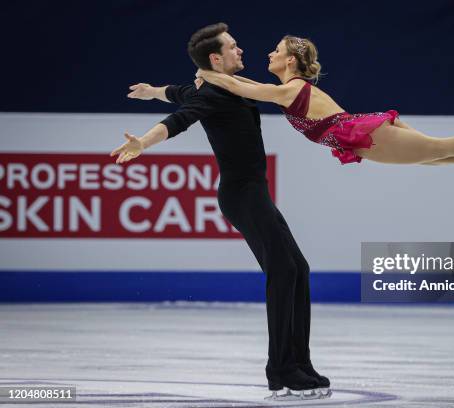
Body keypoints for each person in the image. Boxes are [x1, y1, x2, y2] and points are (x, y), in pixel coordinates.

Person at [110, 23, 331, 401]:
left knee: (298, 268)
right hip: (241, 194)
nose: (241, 50)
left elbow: (177, 93)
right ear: (216, 58)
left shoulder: (219, 86)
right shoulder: (211, 93)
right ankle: (282, 371)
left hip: (253, 192)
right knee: (283, 269)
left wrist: (152, 91)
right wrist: (144, 142)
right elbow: (179, 119)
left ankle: (300, 362)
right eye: (233, 46)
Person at [197, 36, 454, 193]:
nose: (269, 54)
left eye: (276, 51)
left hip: (365, 134)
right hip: (366, 132)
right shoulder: (290, 88)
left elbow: (247, 89)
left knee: (439, 149)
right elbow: (245, 84)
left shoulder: (290, 89)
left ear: (290, 60)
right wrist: (213, 75)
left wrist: (208, 72)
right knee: (439, 157)